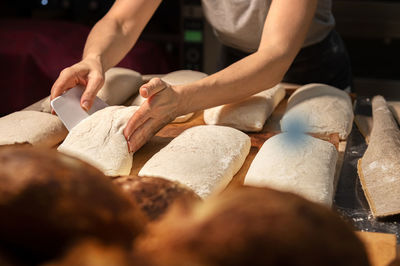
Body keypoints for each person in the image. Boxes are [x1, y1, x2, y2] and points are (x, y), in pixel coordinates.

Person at [50, 0, 352, 153]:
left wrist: (183, 100)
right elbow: (121, 21)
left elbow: (275, 56)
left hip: (311, 64)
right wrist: (94, 57)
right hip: (236, 60)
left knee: (315, 154)